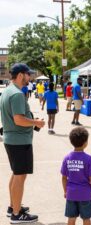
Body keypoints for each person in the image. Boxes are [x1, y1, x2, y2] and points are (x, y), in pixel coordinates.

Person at [0, 63, 45, 223]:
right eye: (28, 74)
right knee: (20, 176)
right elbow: (19, 119)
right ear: (20, 75)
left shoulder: (7, 91)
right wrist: (36, 122)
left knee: (16, 174)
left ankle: (13, 206)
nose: (30, 77)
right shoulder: (17, 94)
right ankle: (17, 215)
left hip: (12, 139)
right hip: (19, 141)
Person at [61, 127, 91, 225]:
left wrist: (65, 191)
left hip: (71, 193)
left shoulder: (67, 158)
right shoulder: (89, 159)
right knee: (86, 218)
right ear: (85, 142)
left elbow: (64, 177)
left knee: (71, 218)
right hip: (85, 194)